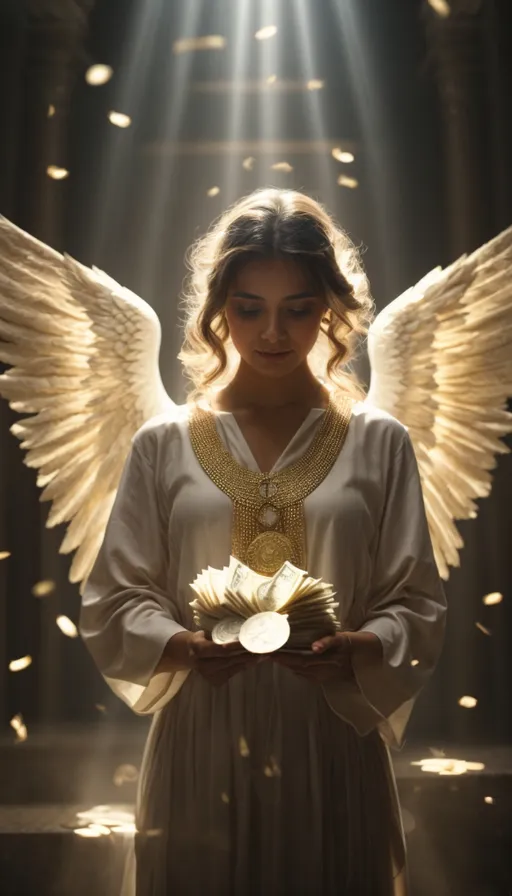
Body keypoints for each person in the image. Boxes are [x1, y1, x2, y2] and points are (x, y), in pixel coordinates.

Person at [79, 188, 447, 896]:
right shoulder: (163, 444)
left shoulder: (379, 443)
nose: (273, 332)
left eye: (298, 308)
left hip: (334, 735)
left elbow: (417, 603)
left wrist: (361, 648)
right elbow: (116, 596)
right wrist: (182, 645)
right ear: (220, 309)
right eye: (250, 308)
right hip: (200, 736)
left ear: (330, 309)